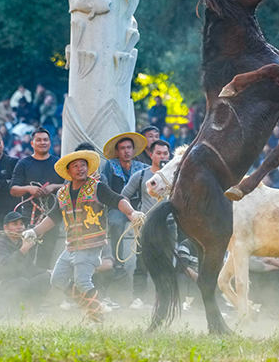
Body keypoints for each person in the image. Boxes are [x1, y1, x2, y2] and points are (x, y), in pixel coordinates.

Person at [24, 149, 145, 323]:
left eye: (83, 165)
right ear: (68, 171)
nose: (80, 169)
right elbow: (53, 217)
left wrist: (132, 213)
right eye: (76, 166)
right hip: (71, 245)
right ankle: (92, 307)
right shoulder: (63, 193)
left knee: (82, 282)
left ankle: (97, 317)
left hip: (91, 244)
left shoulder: (97, 187)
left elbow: (118, 200)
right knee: (57, 279)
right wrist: (34, 231)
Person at [122, 140, 171, 309]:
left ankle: (164, 298)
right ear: (151, 155)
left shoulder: (175, 176)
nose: (162, 156)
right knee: (141, 262)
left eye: (165, 153)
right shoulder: (141, 175)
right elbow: (124, 196)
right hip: (146, 224)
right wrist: (132, 214)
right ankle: (139, 298)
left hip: (169, 224)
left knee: (167, 262)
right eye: (158, 153)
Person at [9, 128, 61, 268]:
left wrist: (53, 187)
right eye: (38, 140)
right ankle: (26, 283)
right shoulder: (23, 164)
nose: (42, 142)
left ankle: (41, 285)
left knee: (46, 253)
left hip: (52, 215)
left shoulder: (59, 164)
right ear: (32, 143)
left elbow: (69, 187)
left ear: (50, 143)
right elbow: (13, 190)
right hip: (29, 215)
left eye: (45, 140)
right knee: (27, 251)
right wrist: (28, 188)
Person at [101, 132, 148, 279]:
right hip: (116, 206)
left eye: (129, 148)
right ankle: (118, 263)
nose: (126, 151)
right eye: (122, 148)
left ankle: (145, 262)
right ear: (117, 152)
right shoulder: (110, 166)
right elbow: (105, 188)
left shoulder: (142, 167)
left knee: (148, 224)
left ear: (134, 150)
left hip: (138, 206)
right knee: (115, 222)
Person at [0, 211, 51, 313]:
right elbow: (6, 269)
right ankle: (6, 311)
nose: (20, 227)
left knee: (46, 277)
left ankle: (32, 310)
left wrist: (48, 271)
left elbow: (29, 269)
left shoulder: (21, 242)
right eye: (15, 224)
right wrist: (23, 250)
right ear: (5, 228)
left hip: (19, 282)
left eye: (21, 224)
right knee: (22, 282)